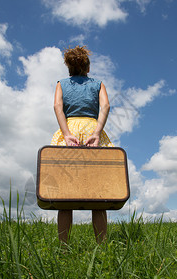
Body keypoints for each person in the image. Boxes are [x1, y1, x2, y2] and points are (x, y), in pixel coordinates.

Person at [50, 45, 114, 244]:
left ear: (69, 69)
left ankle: (63, 249)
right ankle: (102, 248)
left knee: (64, 196)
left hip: (68, 132)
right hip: (92, 131)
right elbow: (105, 106)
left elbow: (57, 107)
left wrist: (67, 134)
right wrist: (96, 133)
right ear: (87, 68)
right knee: (99, 194)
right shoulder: (98, 83)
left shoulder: (61, 83)